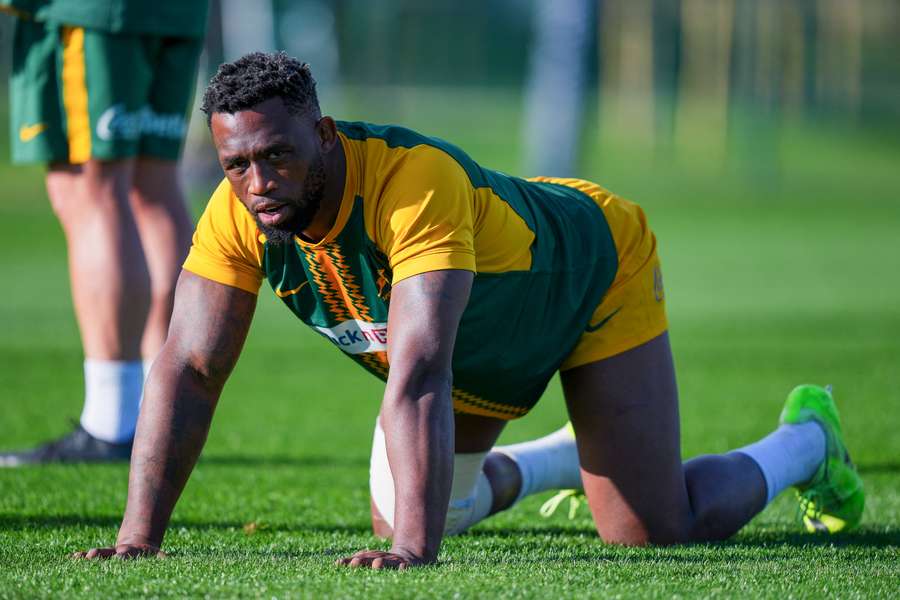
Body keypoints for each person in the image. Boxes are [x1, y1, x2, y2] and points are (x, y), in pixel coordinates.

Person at [72, 53, 864, 568]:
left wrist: (415, 557)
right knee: (403, 511)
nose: (258, 182)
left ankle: (807, 442)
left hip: (588, 274)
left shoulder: (413, 183)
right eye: (236, 164)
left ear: (324, 133)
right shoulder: (238, 212)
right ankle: (565, 457)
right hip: (483, 344)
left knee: (655, 532)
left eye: (278, 154)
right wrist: (138, 540)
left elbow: (420, 371)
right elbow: (190, 367)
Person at [0, 0, 208, 465]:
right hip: (176, 13)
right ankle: (164, 412)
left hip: (90, 12)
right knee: (154, 187)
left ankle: (111, 421)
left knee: (91, 189)